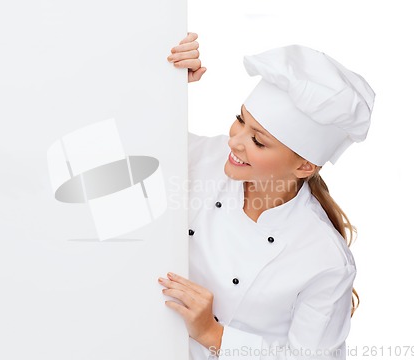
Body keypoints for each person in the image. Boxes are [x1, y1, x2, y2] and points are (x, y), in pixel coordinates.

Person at [158, 33, 375, 360]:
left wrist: (212, 333)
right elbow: (123, 143)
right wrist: (165, 81)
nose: (235, 142)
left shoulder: (325, 259)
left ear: (304, 165)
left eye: (258, 141)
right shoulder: (203, 159)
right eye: (240, 120)